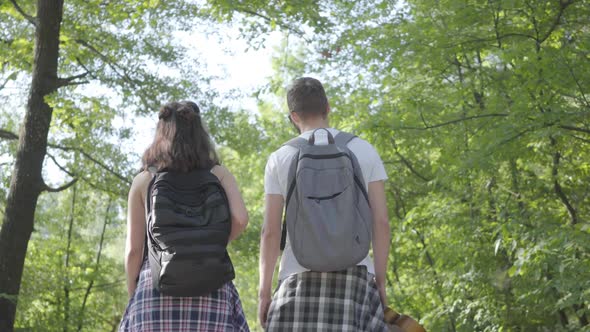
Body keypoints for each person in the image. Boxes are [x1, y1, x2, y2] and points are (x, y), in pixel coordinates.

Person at [258, 77, 391, 331]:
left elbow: (271, 232)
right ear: (327, 107)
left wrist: (264, 294)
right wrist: (380, 282)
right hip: (356, 280)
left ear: (294, 116)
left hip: (297, 281)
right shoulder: (364, 150)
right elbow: (381, 223)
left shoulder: (280, 158)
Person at [119, 101, 250, 331]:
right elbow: (240, 219)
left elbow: (133, 250)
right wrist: (210, 243)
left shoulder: (144, 180)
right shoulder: (218, 174)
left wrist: (134, 293)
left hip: (155, 286)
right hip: (212, 284)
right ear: (200, 133)